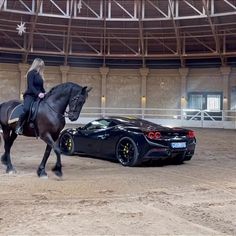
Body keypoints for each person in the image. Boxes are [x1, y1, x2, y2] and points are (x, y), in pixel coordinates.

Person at [15, 58, 46, 135]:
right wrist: (38, 94)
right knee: (27, 109)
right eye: (40, 66)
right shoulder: (31, 73)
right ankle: (19, 126)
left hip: (39, 96)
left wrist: (45, 93)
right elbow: (31, 86)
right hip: (30, 95)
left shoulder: (40, 75)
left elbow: (41, 87)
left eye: (42, 66)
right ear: (36, 65)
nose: (41, 67)